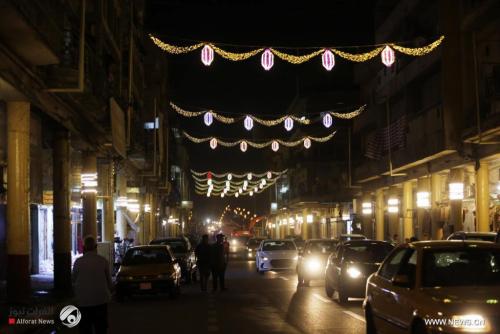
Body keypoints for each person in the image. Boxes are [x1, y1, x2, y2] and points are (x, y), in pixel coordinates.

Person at [72, 235, 113, 334]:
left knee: (85, 329)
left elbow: (73, 280)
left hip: (84, 302)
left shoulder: (78, 262)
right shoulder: (103, 261)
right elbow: (109, 281)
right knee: (101, 328)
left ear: (84, 248)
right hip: (100, 300)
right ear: (96, 247)